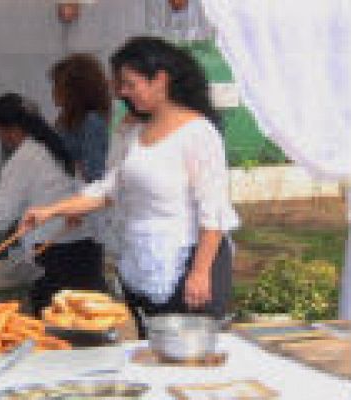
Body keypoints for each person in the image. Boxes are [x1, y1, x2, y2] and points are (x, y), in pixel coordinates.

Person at [21, 37, 239, 337]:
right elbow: (109, 189)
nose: (121, 92)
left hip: (187, 263)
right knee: (151, 349)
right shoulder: (134, 130)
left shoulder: (198, 133)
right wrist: (51, 210)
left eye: (129, 84)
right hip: (140, 261)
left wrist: (201, 272)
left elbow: (213, 211)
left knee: (187, 357)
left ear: (160, 79)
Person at [0, 93, 107, 315]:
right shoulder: (57, 146)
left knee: (57, 329)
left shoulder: (25, 159)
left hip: (53, 255)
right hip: (87, 249)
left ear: (6, 130)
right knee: (87, 324)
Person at [50, 53, 112, 183]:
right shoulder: (64, 119)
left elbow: (94, 173)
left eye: (57, 85)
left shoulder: (92, 122)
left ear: (77, 90)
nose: (53, 91)